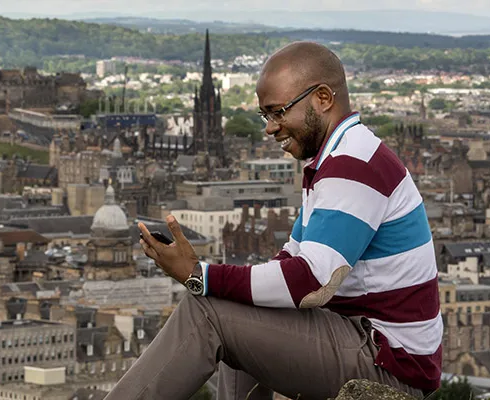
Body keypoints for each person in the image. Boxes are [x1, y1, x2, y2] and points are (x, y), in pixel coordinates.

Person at [104, 41, 442, 400]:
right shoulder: (335, 160)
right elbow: (290, 263)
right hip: (369, 344)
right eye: (266, 116)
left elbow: (311, 282)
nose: (271, 128)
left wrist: (199, 275)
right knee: (236, 304)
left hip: (387, 362)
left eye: (278, 112)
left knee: (207, 310)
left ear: (323, 98)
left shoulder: (352, 164)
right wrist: (213, 280)